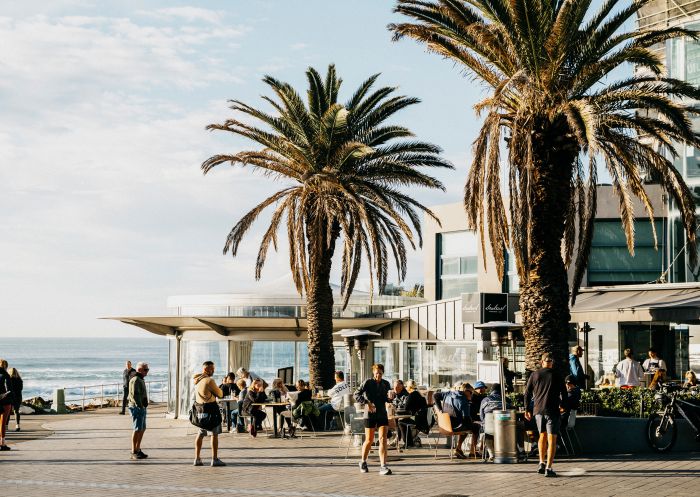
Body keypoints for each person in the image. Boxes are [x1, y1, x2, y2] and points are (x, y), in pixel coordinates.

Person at [524, 352, 567, 478]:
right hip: (552, 411)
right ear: (551, 363)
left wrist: (527, 409)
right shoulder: (557, 376)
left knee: (541, 436)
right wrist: (563, 405)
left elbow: (527, 393)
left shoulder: (534, 374)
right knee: (552, 439)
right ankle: (549, 468)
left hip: (538, 411)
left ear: (541, 362)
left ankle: (541, 463)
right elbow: (564, 393)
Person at [355, 363, 392, 476]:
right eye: (376, 373)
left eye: (380, 374)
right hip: (369, 413)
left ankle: (383, 466)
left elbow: (387, 398)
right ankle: (363, 461)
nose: (378, 376)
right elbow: (356, 394)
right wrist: (367, 402)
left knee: (383, 439)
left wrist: (391, 398)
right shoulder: (367, 382)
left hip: (382, 413)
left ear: (383, 373)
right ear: (373, 373)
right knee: (369, 440)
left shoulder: (386, 384)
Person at [193, 361, 226, 467]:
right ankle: (214, 459)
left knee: (201, 433)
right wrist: (220, 388)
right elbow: (220, 394)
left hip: (200, 410)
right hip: (211, 410)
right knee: (214, 434)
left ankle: (197, 458)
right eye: (212, 369)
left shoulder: (197, 380)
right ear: (206, 370)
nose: (214, 370)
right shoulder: (209, 380)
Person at [434, 382, 477, 459]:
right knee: (476, 427)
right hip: (455, 427)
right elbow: (466, 419)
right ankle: (472, 452)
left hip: (444, 426)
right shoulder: (463, 400)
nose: (471, 394)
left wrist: (440, 410)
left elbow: (435, 395)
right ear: (466, 391)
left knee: (466, 425)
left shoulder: (449, 393)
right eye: (471, 392)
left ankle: (459, 449)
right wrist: (473, 421)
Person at [127, 362, 149, 460]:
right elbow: (135, 395)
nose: (147, 372)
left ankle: (138, 448)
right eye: (145, 370)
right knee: (137, 429)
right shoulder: (135, 379)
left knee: (142, 428)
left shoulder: (140, 379)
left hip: (141, 407)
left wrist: (144, 403)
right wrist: (140, 406)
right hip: (136, 407)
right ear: (139, 370)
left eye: (147, 370)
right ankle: (133, 450)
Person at [399, 379, 428, 447]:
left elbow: (406, 408)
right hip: (424, 420)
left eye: (406, 386)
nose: (405, 388)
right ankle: (409, 441)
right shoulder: (420, 394)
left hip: (418, 421)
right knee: (405, 420)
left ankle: (408, 443)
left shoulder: (411, 395)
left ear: (409, 387)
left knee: (401, 422)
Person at [0, 359, 12, 451]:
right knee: (3, 423)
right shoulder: (6, 375)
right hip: (5, 400)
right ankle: (2, 444)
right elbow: (9, 389)